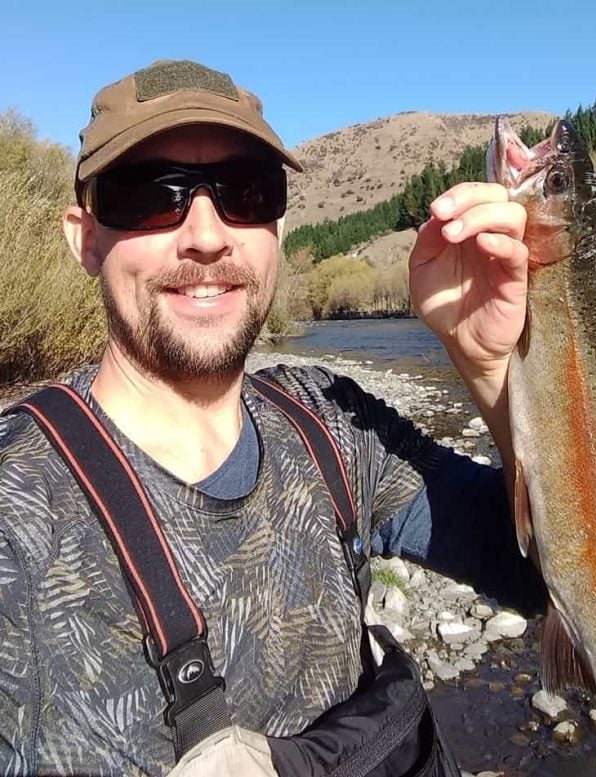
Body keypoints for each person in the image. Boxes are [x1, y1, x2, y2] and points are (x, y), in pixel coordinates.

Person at [0, 60, 544, 775]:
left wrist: (492, 373)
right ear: (85, 238)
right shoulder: (18, 502)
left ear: (277, 229)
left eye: (244, 193)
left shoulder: (331, 422)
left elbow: (541, 574)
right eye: (147, 195)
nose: (205, 235)